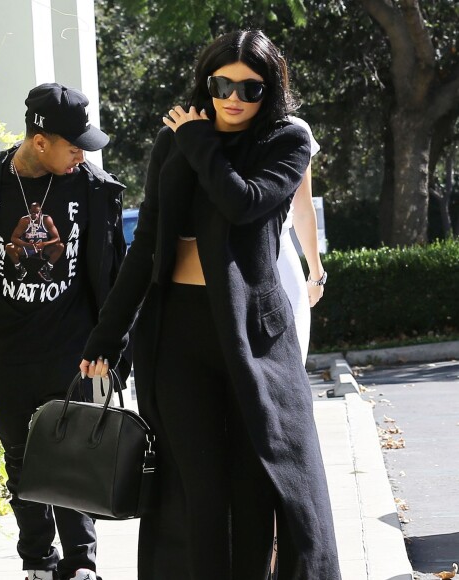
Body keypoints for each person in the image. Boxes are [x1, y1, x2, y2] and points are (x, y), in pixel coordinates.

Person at [80, 30, 341, 580]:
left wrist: (200, 141)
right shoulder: (175, 139)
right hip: (176, 333)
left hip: (254, 337)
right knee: (194, 487)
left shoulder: (286, 138)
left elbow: (242, 203)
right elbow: (148, 242)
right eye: (224, 84)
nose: (235, 98)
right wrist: (107, 335)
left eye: (251, 88)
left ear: (270, 92)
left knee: (259, 482)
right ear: (207, 80)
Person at [0, 83, 129, 580]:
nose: (82, 154)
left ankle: (81, 564)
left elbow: (119, 277)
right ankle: (37, 560)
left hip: (78, 348)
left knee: (75, 452)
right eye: (73, 144)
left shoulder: (96, 190)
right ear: (39, 140)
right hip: (9, 348)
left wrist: (112, 346)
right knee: (21, 456)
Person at [277, 116, 326, 364]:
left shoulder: (295, 129)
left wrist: (316, 274)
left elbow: (303, 209)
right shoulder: (206, 124)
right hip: (225, 257)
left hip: (280, 255)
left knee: (294, 361)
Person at [5, 201, 65, 282]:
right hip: (27, 249)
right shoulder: (25, 221)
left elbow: (57, 238)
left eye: (38, 212)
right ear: (29, 211)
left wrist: (44, 243)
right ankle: (20, 268)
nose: (36, 215)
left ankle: (45, 269)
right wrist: (26, 244)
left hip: (42, 249)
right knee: (9, 247)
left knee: (60, 246)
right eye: (33, 213)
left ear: (41, 211)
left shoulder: (47, 220)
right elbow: (13, 238)